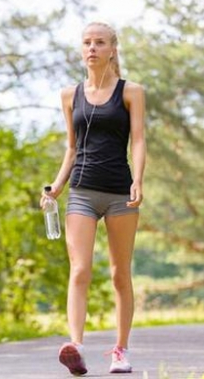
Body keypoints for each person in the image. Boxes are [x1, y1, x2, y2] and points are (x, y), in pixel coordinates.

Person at [41, 21, 146, 375]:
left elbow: (139, 140)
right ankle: (76, 346)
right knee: (80, 269)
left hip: (120, 191)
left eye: (99, 43)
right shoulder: (70, 95)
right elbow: (71, 148)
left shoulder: (131, 91)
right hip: (82, 192)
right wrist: (56, 187)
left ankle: (121, 351)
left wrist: (139, 180)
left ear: (112, 49)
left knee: (120, 274)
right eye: (87, 43)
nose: (92, 49)